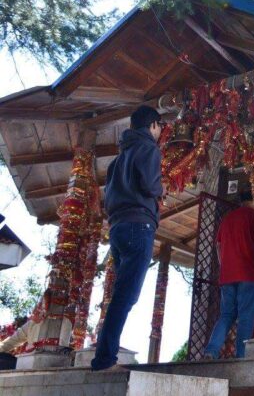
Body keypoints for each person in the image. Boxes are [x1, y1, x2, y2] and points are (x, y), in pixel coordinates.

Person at [91, 105, 164, 371]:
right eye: (160, 128)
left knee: (121, 295)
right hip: (138, 227)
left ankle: (104, 353)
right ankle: (104, 358)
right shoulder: (149, 149)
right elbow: (149, 185)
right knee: (126, 296)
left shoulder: (117, 160)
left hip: (118, 228)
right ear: (153, 125)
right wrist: (160, 188)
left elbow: (108, 198)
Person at [204, 190, 254, 359]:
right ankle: (241, 356)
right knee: (247, 317)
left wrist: (224, 265)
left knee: (226, 315)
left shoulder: (227, 219)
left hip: (227, 275)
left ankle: (211, 350)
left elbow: (218, 246)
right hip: (250, 273)